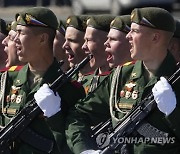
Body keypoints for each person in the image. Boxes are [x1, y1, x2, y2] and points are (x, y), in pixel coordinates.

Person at [65, 7, 180, 154]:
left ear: (155, 37)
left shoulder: (176, 79)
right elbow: (78, 115)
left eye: (135, 31)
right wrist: (84, 150)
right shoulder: (121, 76)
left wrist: (173, 113)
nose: (128, 36)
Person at [0, 7, 85, 154]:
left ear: (42, 38)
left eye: (21, 32)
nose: (15, 39)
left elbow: (72, 141)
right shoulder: (6, 80)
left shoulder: (69, 89)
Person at [63, 15, 94, 89]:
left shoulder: (102, 80)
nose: (65, 46)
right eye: (66, 40)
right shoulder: (69, 77)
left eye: (72, 41)